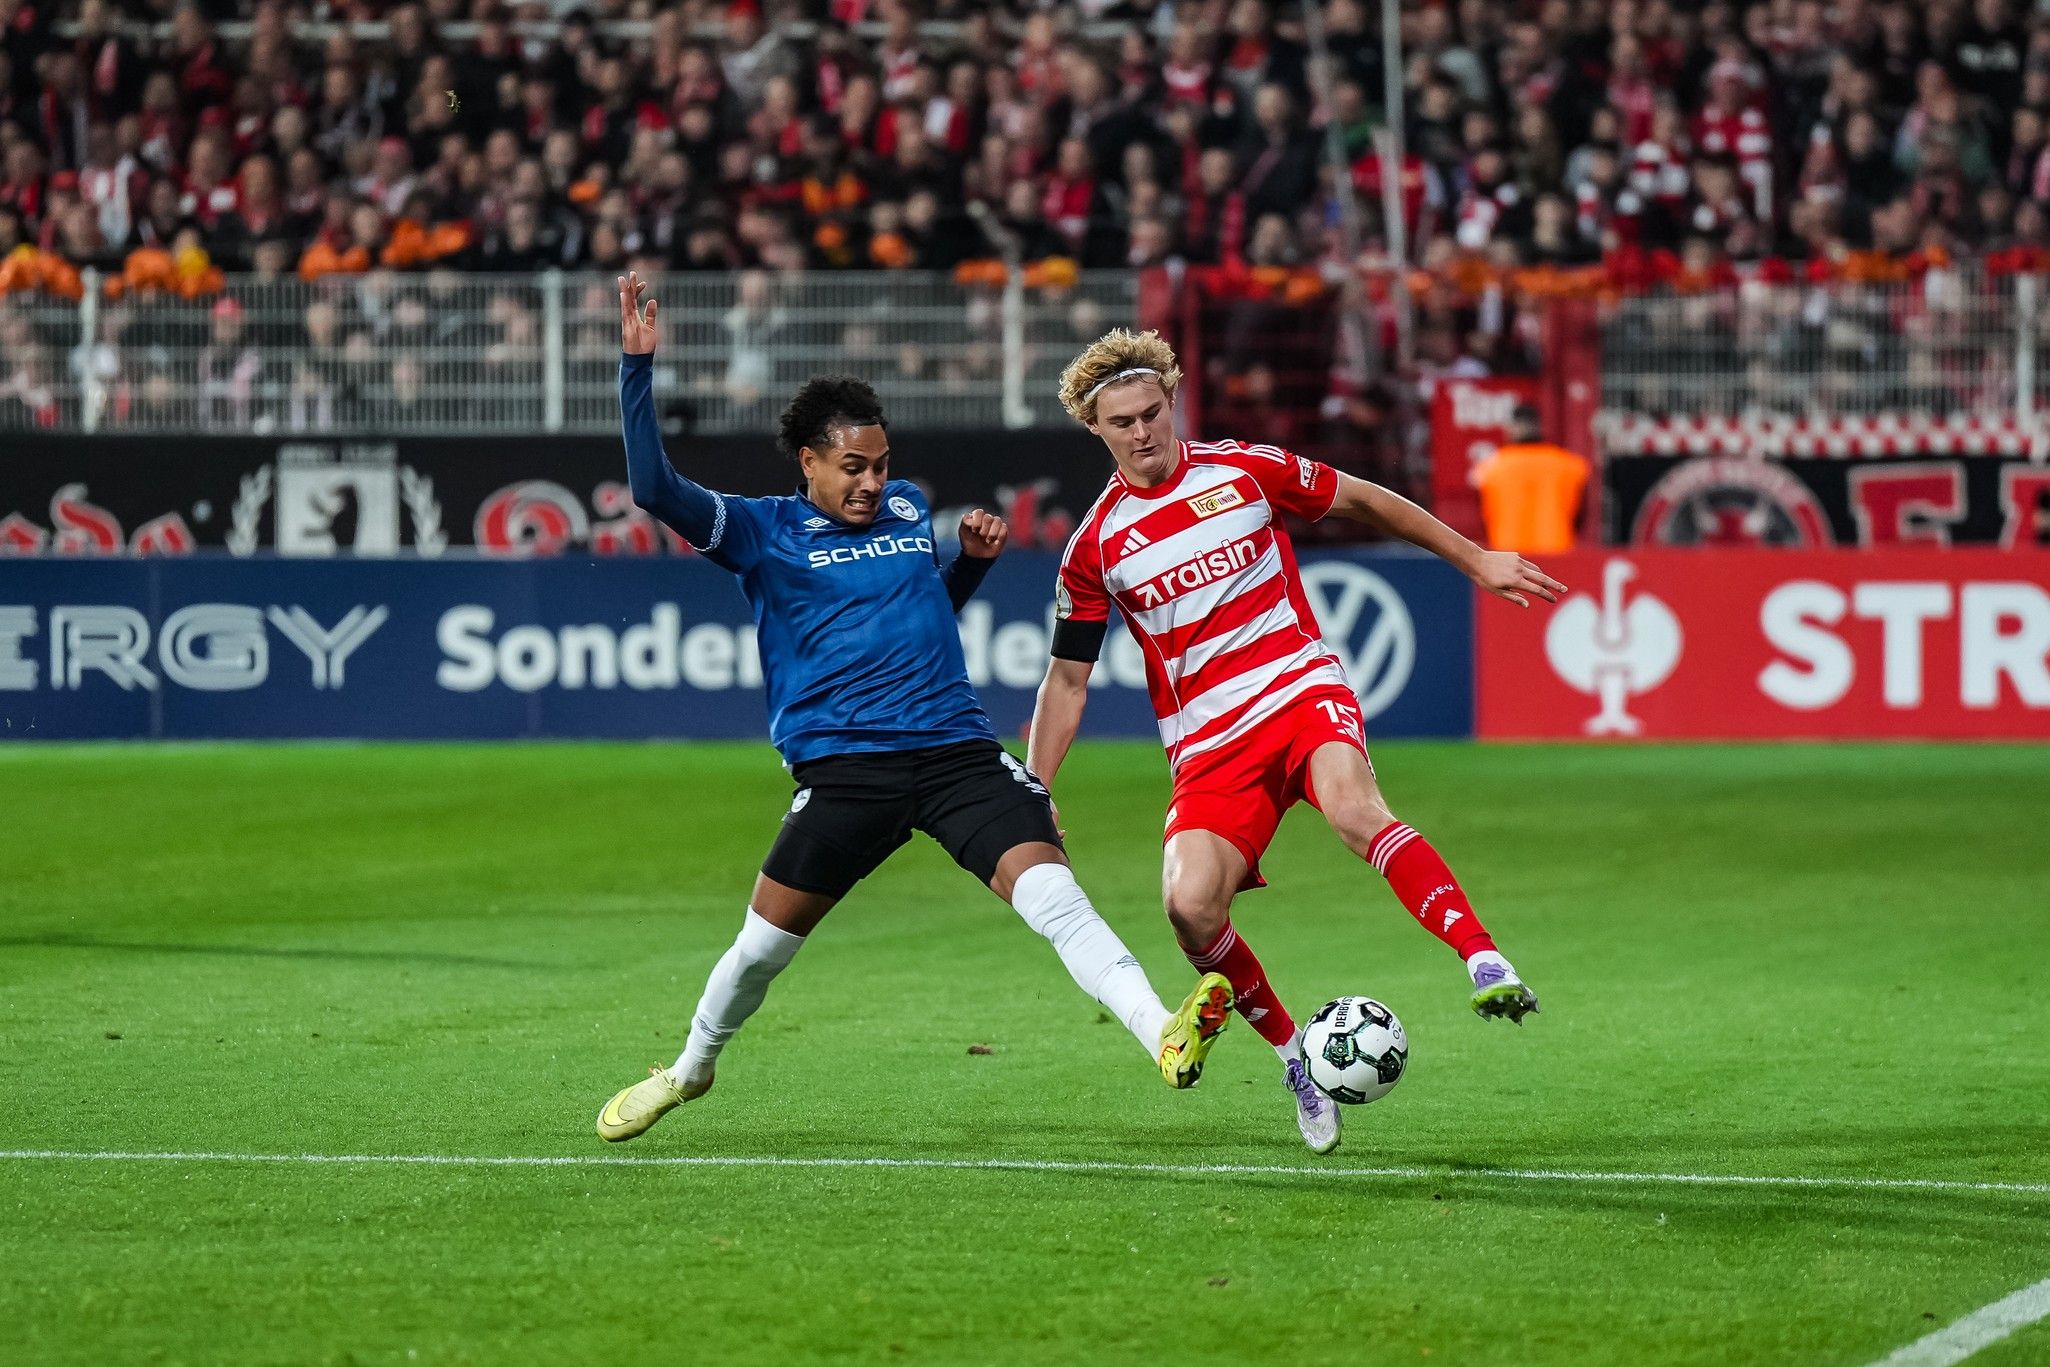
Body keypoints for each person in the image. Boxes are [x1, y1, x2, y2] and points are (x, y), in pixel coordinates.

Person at [597, 277, 1234, 1142]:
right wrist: (638, 370)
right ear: (810, 465)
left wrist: (965, 567)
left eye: (881, 463)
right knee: (761, 951)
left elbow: (918, 611)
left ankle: (1159, 1029)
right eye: (852, 467)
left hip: (955, 755)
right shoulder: (759, 529)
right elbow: (651, 486)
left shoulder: (904, 509)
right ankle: (688, 1069)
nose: (872, 482)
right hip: (847, 771)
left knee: (1055, 896)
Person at [1025, 328, 1567, 1156]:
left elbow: (1370, 499)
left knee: (1356, 809)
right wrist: (1034, 787)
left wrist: (1473, 558)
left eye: (1153, 411)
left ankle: (1485, 959)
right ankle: (1296, 1061)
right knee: (1189, 904)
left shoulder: (1244, 470)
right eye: (1123, 421)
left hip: (1299, 687)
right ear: (1096, 430)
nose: (1143, 431)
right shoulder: (1094, 548)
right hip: (1208, 742)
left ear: (1172, 402)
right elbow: (1067, 681)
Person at [1470, 405, 1591, 554]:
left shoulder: (1491, 467)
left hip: (1508, 558)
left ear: (1512, 427)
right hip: (1557, 554)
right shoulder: (1570, 465)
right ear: (1538, 426)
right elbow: (1581, 515)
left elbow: (1482, 517)